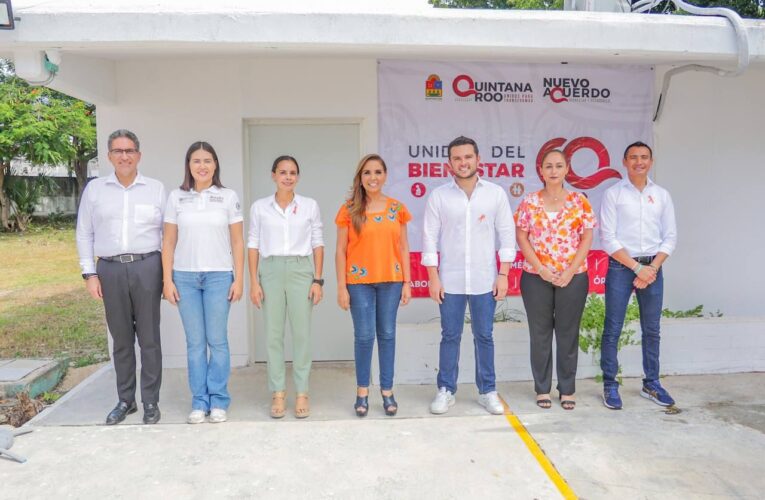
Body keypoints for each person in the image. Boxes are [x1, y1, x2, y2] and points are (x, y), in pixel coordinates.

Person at [76, 129, 165, 425]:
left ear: (138, 155)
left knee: (150, 339)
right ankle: (126, 400)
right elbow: (84, 232)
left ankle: (150, 401)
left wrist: (167, 275)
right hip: (110, 270)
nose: (124, 156)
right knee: (122, 339)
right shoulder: (95, 190)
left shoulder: (155, 189)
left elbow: (167, 234)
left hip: (148, 266)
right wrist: (89, 272)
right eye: (118, 151)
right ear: (109, 155)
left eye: (129, 151)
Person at [422, 136, 516, 416]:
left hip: (485, 279)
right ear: (449, 163)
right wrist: (433, 277)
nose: (463, 162)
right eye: (457, 158)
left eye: (468, 157)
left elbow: (507, 236)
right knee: (449, 335)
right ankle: (446, 390)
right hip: (449, 280)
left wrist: (503, 274)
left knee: (484, 335)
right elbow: (429, 238)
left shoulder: (495, 194)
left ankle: (487, 391)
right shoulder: (439, 196)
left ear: (478, 159)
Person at [161, 141, 244, 424]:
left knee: (217, 341)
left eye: (207, 160)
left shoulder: (228, 196)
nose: (202, 166)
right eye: (196, 161)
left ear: (215, 164)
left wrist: (239, 279)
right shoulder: (176, 197)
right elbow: (169, 241)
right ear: (188, 165)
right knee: (195, 343)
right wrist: (167, 280)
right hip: (184, 278)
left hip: (220, 276)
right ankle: (199, 401)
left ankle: (219, 399)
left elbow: (237, 241)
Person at [515, 149, 595, 411]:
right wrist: (541, 269)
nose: (553, 171)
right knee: (539, 334)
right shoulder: (529, 202)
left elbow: (587, 238)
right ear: (541, 170)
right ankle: (542, 388)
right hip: (536, 277)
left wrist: (570, 270)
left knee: (567, 333)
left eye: (558, 165)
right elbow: (522, 237)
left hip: (573, 276)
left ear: (567, 169)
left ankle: (568, 388)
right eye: (548, 166)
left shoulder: (579, 201)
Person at [600, 141, 677, 410]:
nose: (639, 162)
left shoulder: (662, 195)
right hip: (622, 267)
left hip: (653, 268)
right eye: (633, 157)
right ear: (624, 162)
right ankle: (610, 384)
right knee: (613, 328)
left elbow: (670, 237)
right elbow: (608, 238)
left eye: (644, 157)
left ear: (651, 162)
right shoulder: (613, 194)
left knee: (652, 329)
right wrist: (637, 268)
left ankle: (651, 383)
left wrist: (652, 268)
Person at [248, 155, 324, 419]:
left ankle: (302, 391)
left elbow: (317, 242)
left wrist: (317, 279)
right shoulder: (260, 207)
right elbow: (253, 243)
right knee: (273, 334)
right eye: (282, 172)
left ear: (298, 177)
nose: (288, 177)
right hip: (270, 270)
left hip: (301, 269)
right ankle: (278, 392)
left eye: (293, 173)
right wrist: (254, 281)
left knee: (301, 334)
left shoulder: (309, 206)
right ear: (273, 175)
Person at [335, 154, 411, 417]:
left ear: (385, 175)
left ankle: (387, 391)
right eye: (367, 172)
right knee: (365, 336)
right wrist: (341, 287)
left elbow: (403, 247)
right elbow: (340, 251)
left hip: (391, 280)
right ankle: (362, 391)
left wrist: (407, 282)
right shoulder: (349, 210)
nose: (373, 177)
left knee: (387, 334)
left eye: (378, 172)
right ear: (360, 177)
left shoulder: (397, 208)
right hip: (359, 283)